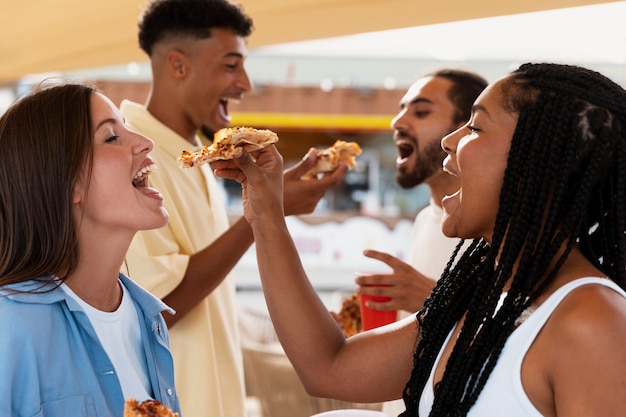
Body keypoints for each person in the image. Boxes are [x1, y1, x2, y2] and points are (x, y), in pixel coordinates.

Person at [211, 62, 626, 416]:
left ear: (541, 164)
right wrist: (266, 212)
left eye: (475, 127)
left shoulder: (593, 324)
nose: (450, 141)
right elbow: (328, 366)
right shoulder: (480, 298)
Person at [120, 0, 346, 416]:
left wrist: (273, 199)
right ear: (178, 64)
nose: (245, 84)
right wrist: (264, 211)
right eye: (230, 65)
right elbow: (156, 310)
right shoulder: (131, 157)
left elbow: (203, 274)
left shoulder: (199, 160)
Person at [0, 83, 180, 416]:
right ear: (68, 182)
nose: (145, 142)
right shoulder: (10, 328)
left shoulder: (148, 319)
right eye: (112, 137)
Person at [355, 69, 487, 416]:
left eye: (421, 111)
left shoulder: (495, 230)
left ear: (465, 131)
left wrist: (434, 299)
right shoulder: (423, 221)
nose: (397, 121)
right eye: (401, 109)